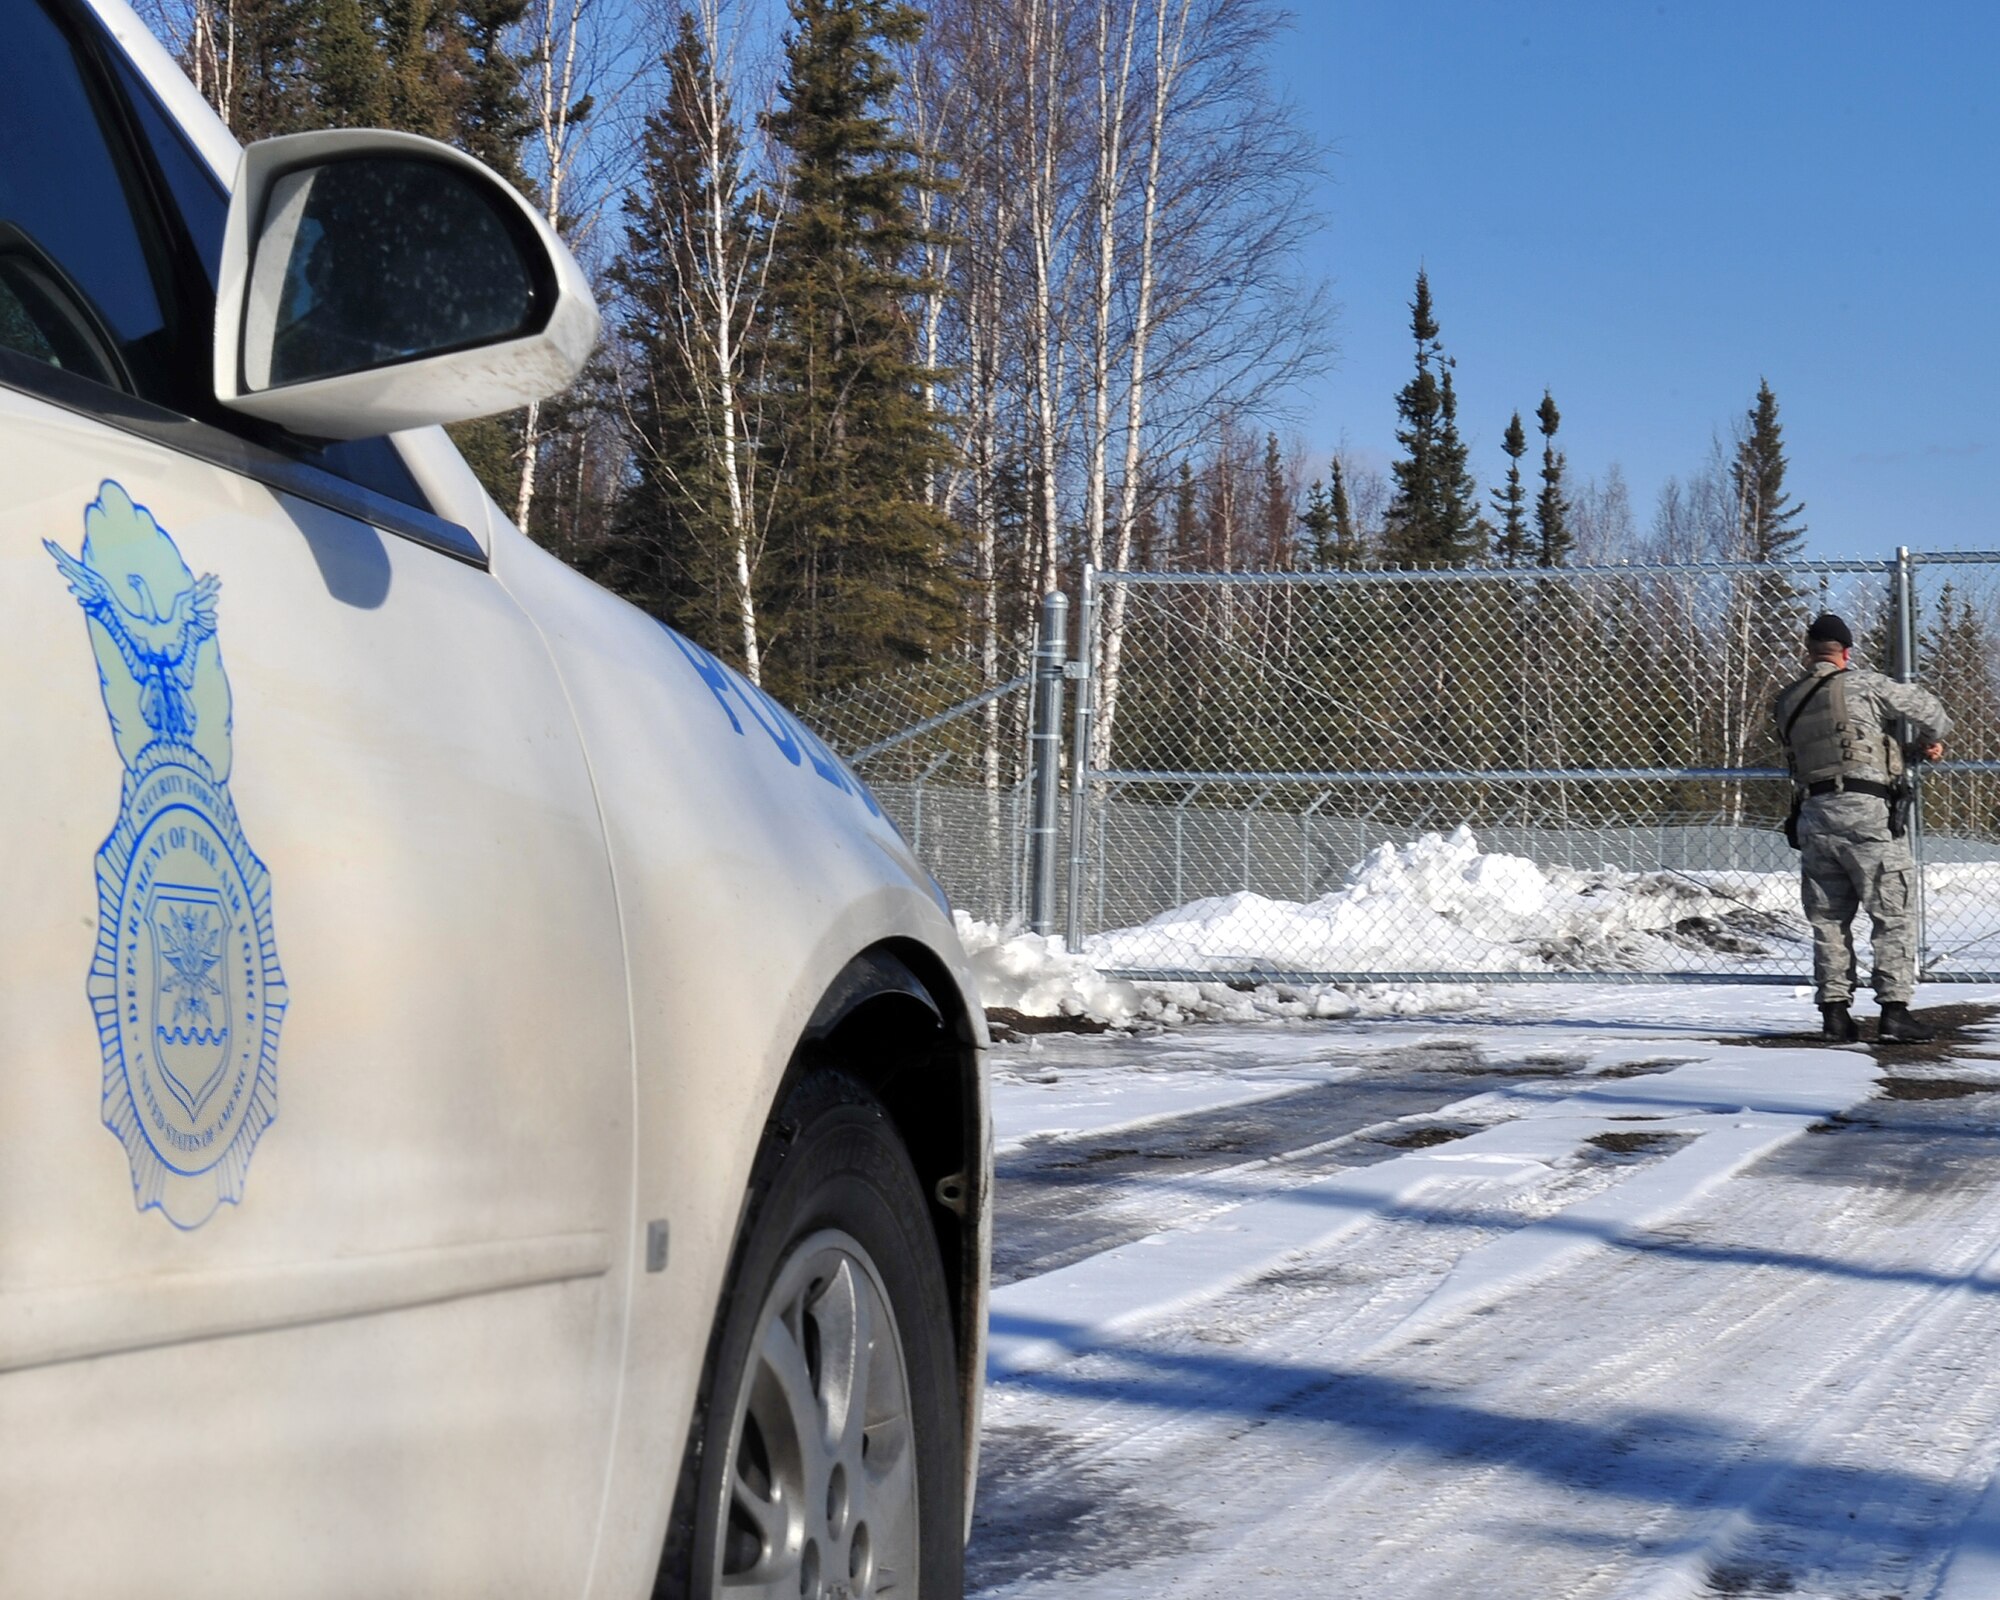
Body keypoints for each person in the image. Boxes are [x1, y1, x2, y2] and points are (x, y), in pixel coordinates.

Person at [1773, 612, 1950, 1043]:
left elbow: (1843, 749)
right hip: (1868, 814)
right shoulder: (1864, 683)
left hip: (1815, 815)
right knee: (1892, 911)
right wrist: (1930, 739)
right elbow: (1933, 713)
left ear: (1808, 651)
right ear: (1846, 652)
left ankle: (1835, 1015)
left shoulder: (1788, 700)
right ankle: (1894, 1010)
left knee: (1829, 919)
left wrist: (1904, 751)